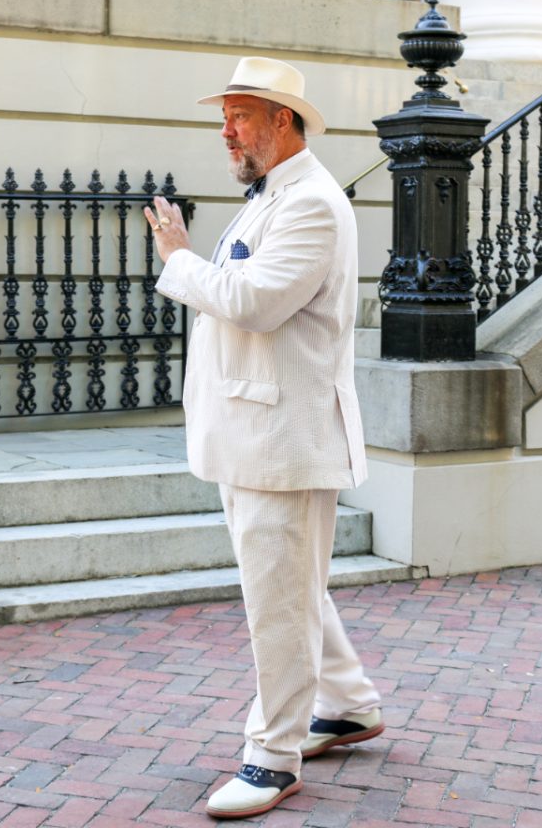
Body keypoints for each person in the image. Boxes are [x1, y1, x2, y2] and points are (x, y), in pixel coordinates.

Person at [144, 56, 383, 820]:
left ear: (283, 120)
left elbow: (254, 303)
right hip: (256, 435)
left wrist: (179, 258)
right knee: (292, 586)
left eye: (239, 115)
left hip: (280, 441)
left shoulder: (309, 202)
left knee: (276, 602)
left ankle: (272, 758)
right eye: (226, 115)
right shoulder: (274, 197)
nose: (226, 130)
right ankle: (346, 704)